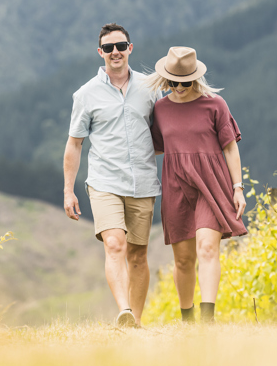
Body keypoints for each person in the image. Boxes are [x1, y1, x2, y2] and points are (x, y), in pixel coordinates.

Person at [63, 23, 159, 328]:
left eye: (120, 46)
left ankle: (136, 323)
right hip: (104, 182)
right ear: (100, 52)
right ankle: (124, 311)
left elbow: (166, 131)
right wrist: (68, 190)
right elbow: (74, 144)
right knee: (115, 244)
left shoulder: (151, 88)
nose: (114, 52)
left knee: (138, 254)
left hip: (143, 182)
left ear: (130, 48)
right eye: (108, 48)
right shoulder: (86, 95)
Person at [147, 46, 247, 323]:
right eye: (173, 82)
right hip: (176, 185)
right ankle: (187, 317)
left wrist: (238, 188)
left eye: (185, 82)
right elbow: (156, 146)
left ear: (196, 78)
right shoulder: (160, 108)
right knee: (182, 259)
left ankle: (207, 319)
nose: (179, 87)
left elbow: (230, 148)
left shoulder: (215, 104)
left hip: (211, 184)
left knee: (206, 248)